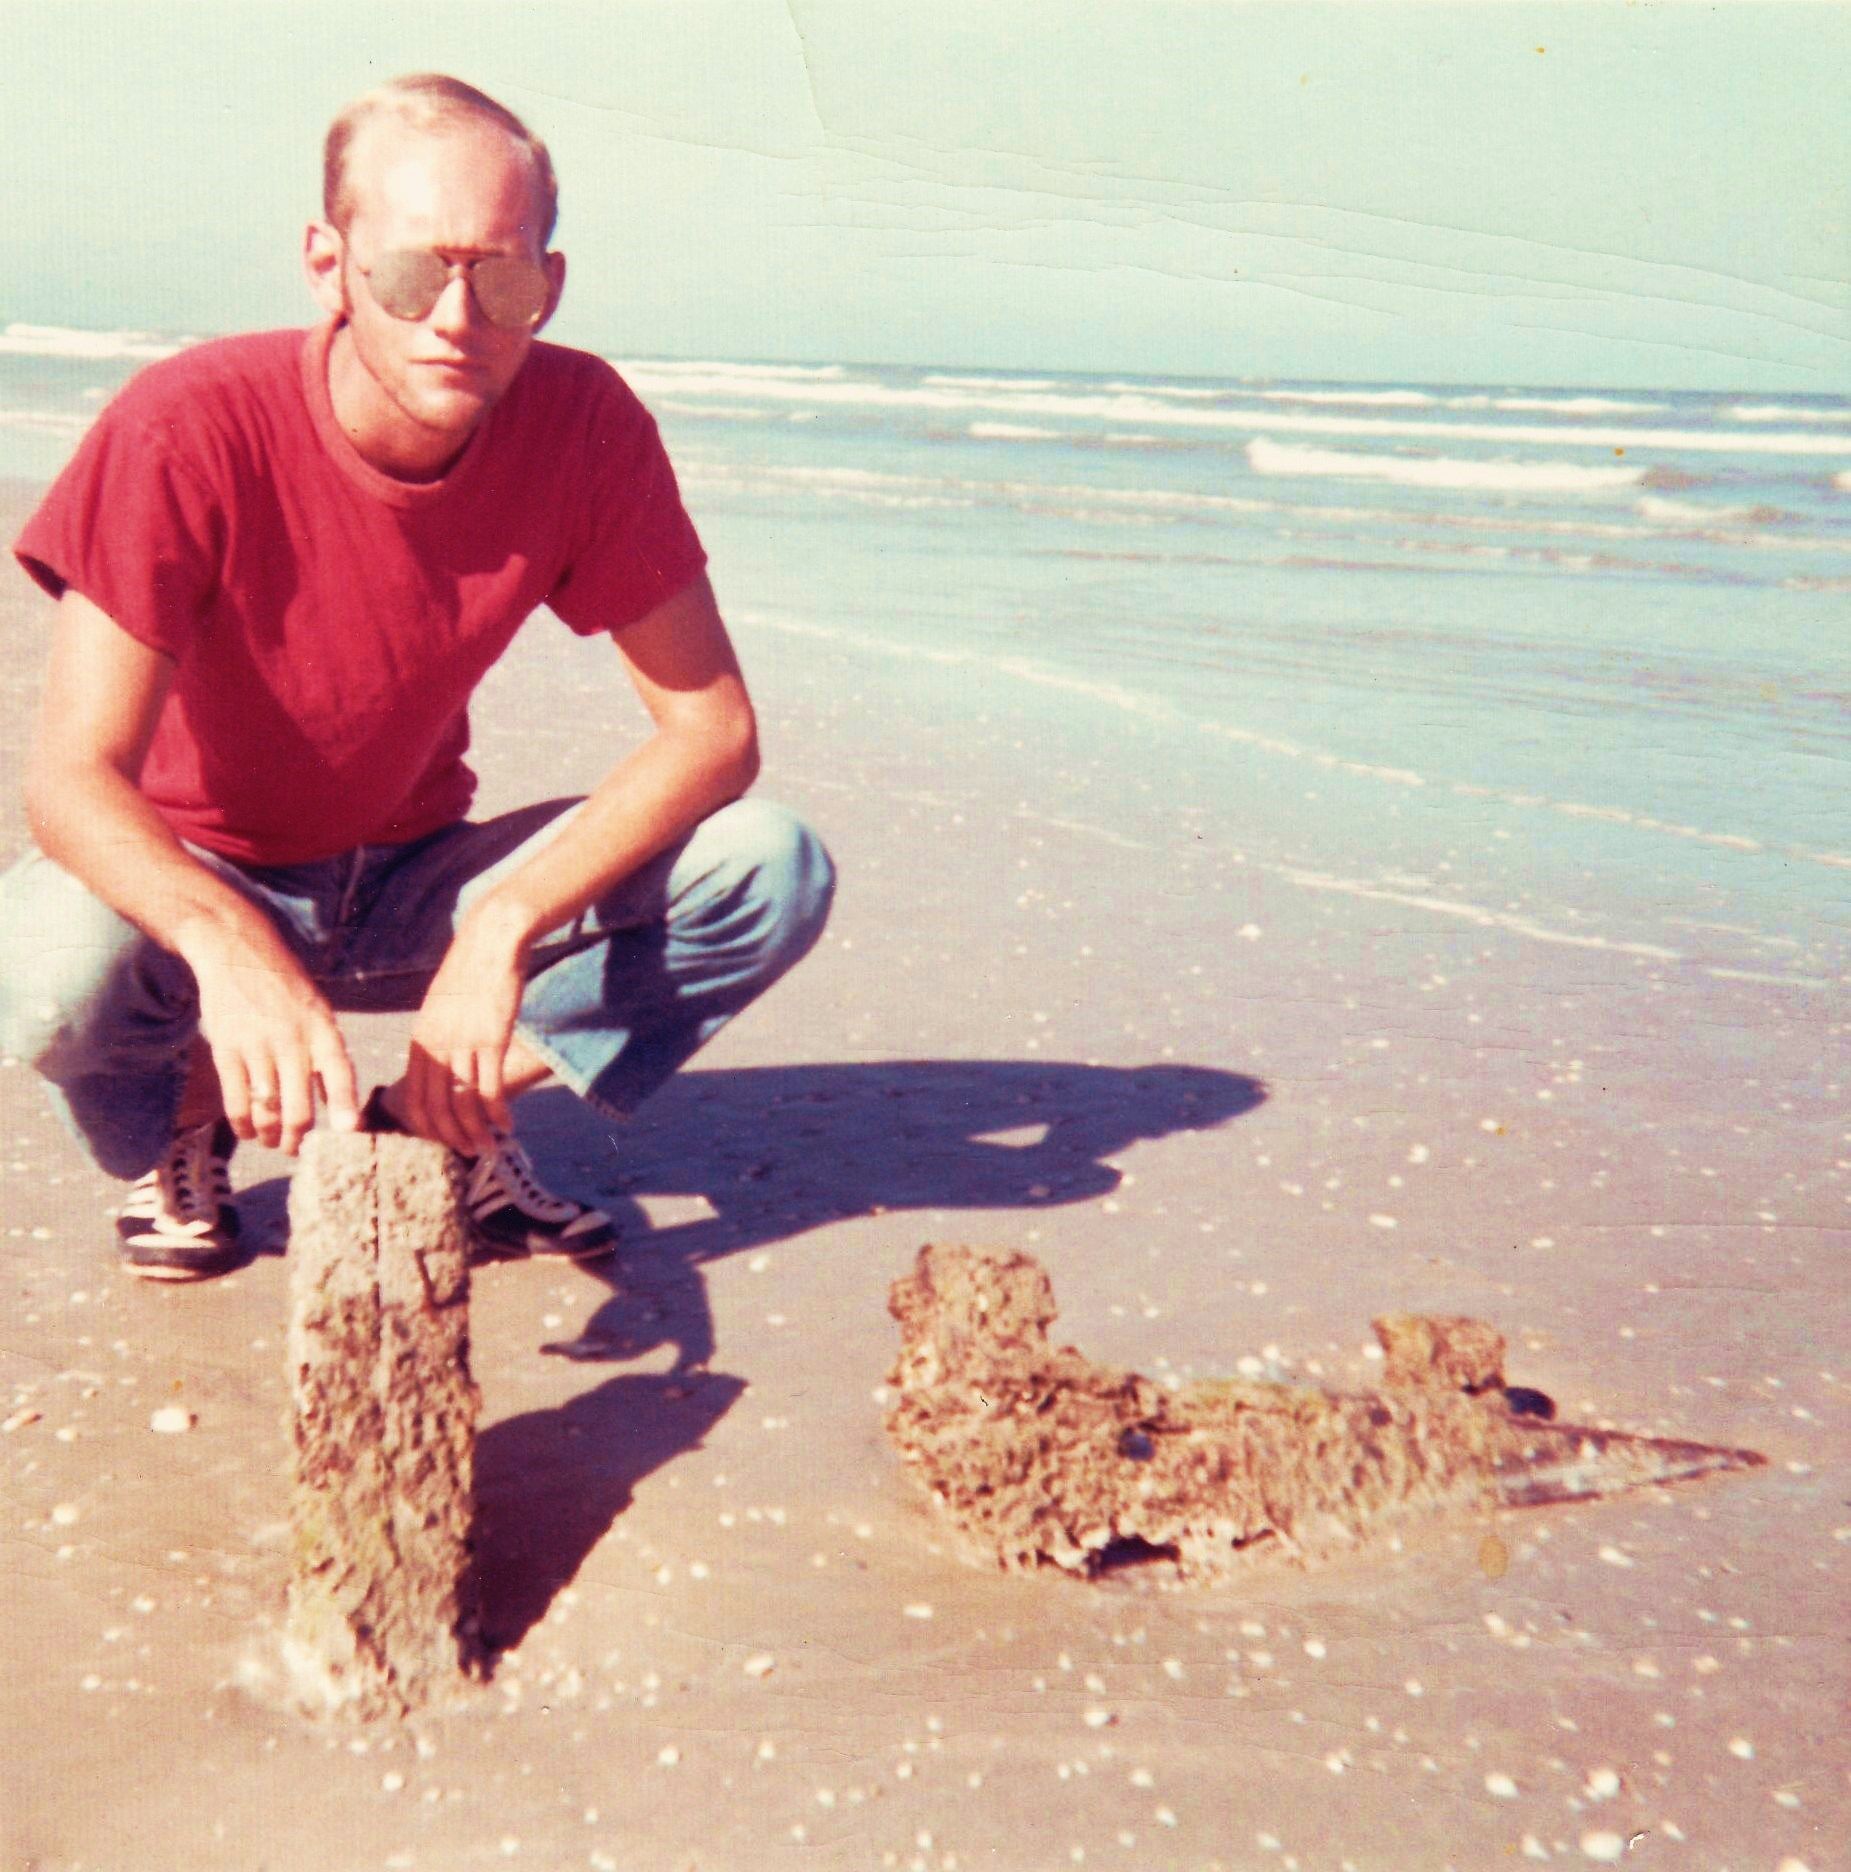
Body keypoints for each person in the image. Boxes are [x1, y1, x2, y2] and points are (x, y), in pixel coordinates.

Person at [0, 74, 835, 1282]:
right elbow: (72, 782)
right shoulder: (185, 426)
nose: (456, 317)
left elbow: (712, 730)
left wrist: (501, 927)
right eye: (411, 273)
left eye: (498, 277)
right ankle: (187, 1128)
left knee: (771, 866)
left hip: (409, 883)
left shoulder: (584, 425)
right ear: (329, 265)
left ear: (548, 283)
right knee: (46, 965)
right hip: (193, 874)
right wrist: (229, 955)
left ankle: (438, 1121)